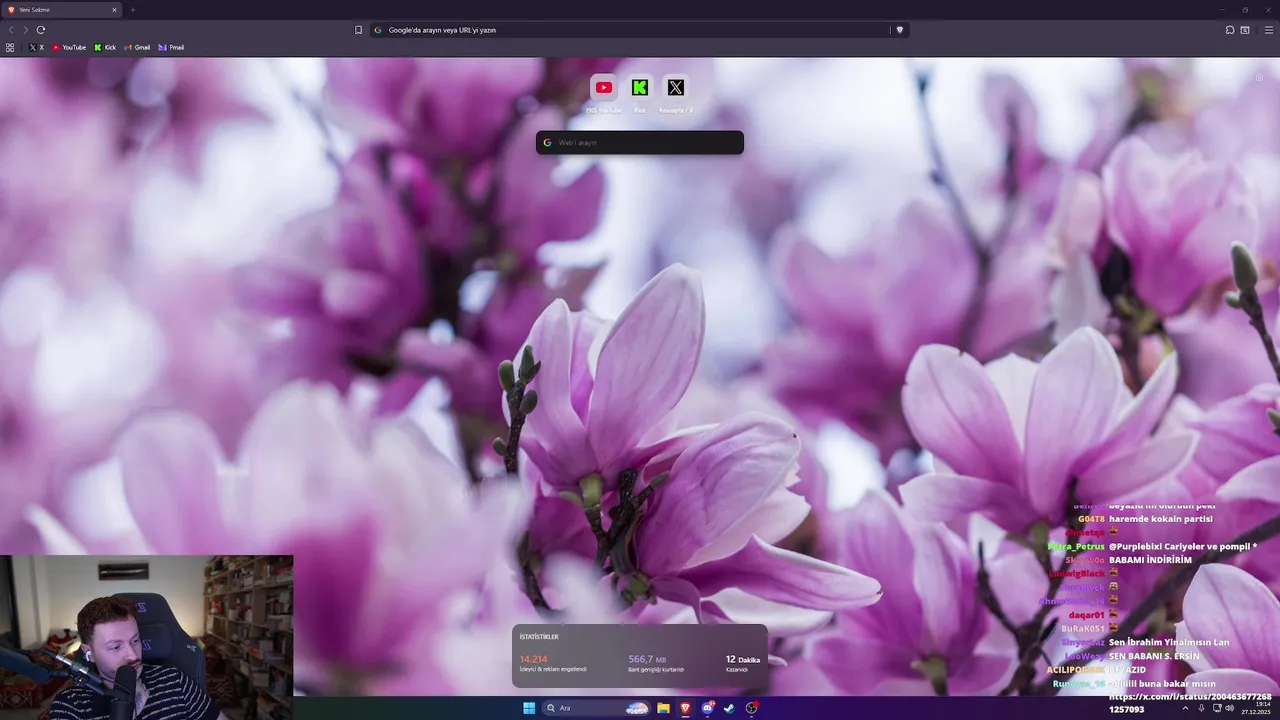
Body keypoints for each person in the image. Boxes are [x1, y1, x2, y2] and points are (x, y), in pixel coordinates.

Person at [48, 597, 227, 720]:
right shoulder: (71, 705)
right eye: (116, 647)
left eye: (135, 640)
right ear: (90, 652)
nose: (133, 655)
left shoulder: (174, 680)